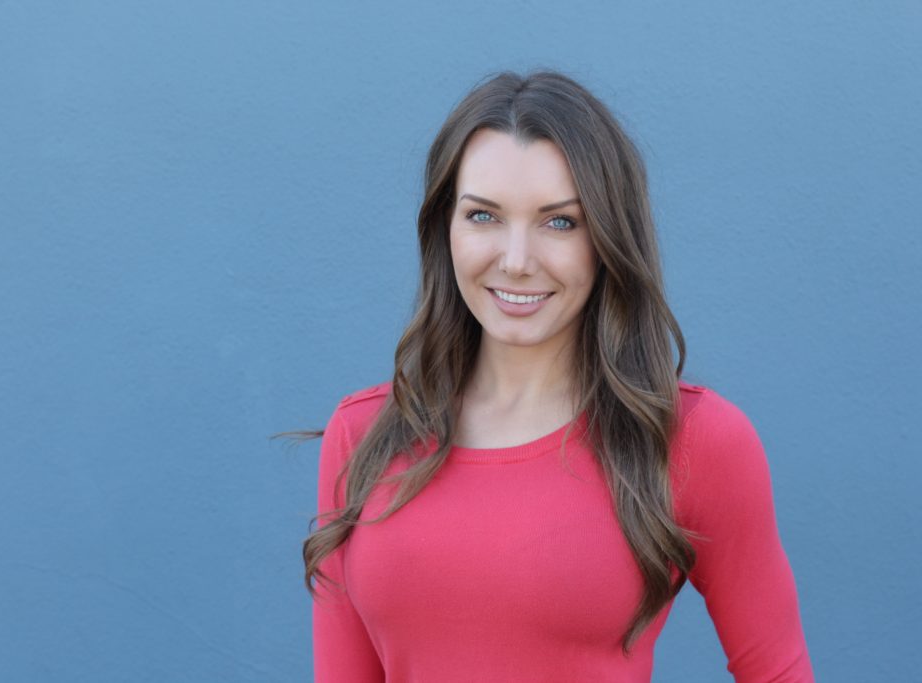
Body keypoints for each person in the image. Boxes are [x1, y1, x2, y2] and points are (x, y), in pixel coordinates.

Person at [302, 70, 814, 682]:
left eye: (559, 222)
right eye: (483, 216)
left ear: (608, 239)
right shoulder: (364, 435)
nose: (516, 261)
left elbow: (779, 672)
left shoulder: (692, 441)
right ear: (445, 228)